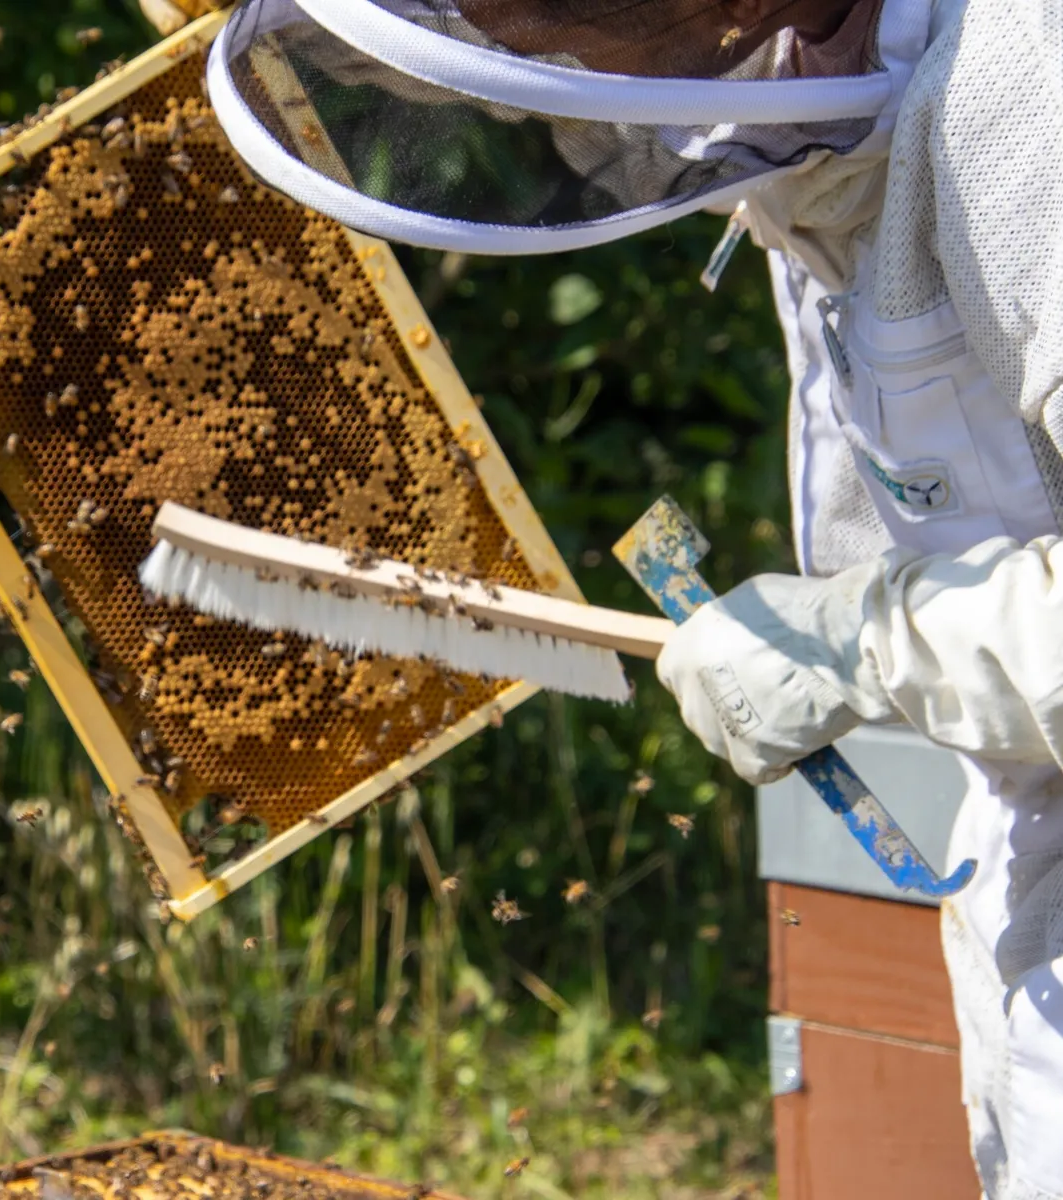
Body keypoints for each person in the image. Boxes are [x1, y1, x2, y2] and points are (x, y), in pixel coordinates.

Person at [206, 0, 1063, 1195]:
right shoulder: (804, 82)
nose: (527, 62)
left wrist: (870, 647)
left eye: (549, 17)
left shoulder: (1032, 90)